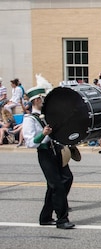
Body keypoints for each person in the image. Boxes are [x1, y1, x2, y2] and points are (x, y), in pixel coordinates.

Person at [23, 75, 75, 229]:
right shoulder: (29, 119)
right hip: (45, 153)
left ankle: (45, 216)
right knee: (57, 185)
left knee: (66, 179)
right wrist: (43, 134)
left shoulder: (48, 115)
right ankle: (62, 219)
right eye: (43, 98)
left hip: (57, 151)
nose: (45, 100)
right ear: (36, 100)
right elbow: (30, 143)